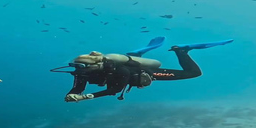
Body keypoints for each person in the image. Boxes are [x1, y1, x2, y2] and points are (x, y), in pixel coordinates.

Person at [50, 37, 233, 102]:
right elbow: (78, 87)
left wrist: (86, 97)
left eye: (83, 67)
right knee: (132, 57)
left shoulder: (120, 71)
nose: (80, 71)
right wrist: (73, 94)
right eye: (77, 68)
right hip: (130, 65)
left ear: (95, 65)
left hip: (143, 74)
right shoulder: (82, 72)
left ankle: (182, 51)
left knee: (193, 74)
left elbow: (114, 90)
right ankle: (135, 53)